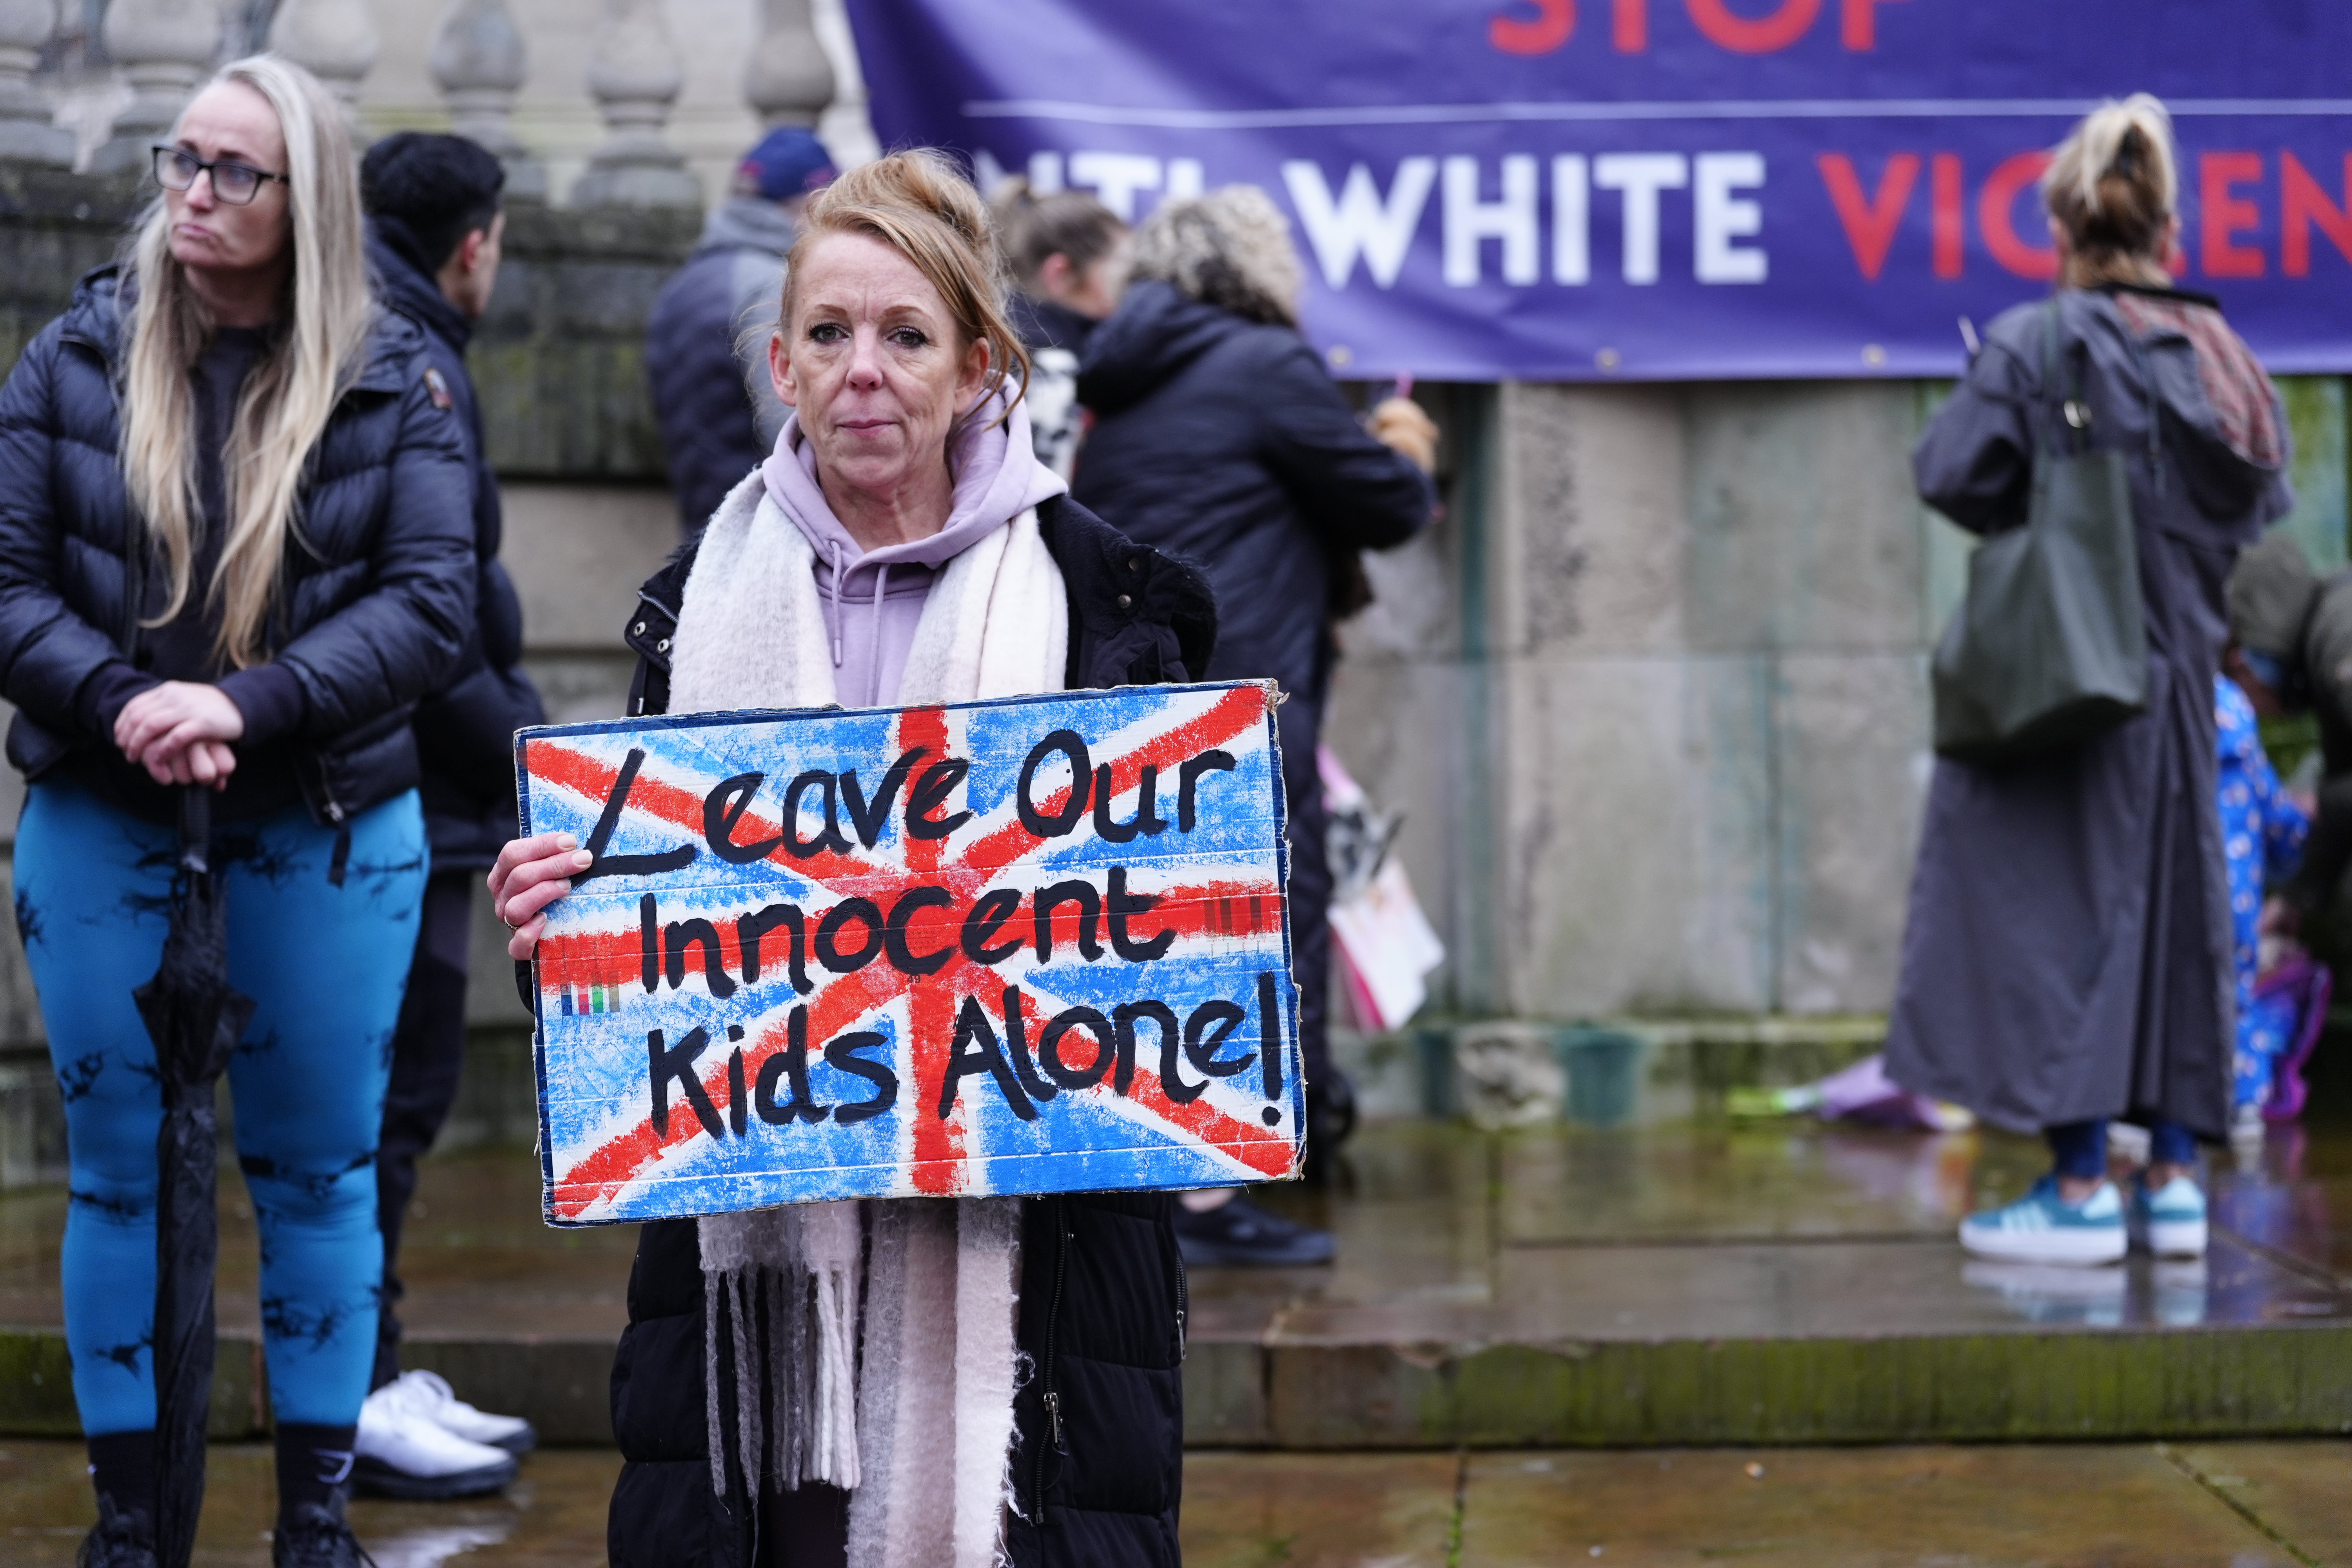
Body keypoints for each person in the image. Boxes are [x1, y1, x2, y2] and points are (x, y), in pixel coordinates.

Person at [490, 150, 1214, 1568]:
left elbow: (1173, 947)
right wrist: (565, 939)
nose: (863, 370)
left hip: (1033, 1274)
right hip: (770, 1277)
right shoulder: (689, 612)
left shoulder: (1107, 603)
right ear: (780, 363)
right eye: (828, 334)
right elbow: (662, 1002)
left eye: (905, 335)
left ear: (978, 365)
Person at [0, 56, 475, 1565]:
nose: (192, 195)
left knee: (321, 1167)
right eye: (179, 159)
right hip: (101, 805)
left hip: (324, 819)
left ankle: (315, 1518)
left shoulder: (399, 374)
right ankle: (130, 1520)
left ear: (306, 202)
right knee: (115, 1164)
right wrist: (116, 697)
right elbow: (6, 583)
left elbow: (432, 606)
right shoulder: (73, 355)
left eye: (232, 173)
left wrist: (244, 701)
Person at [1884, 96, 2292, 1267]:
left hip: (2066, 679)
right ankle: (2169, 1178)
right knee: (2179, 920)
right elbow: (2255, 512)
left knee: (2040, 909)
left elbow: (1951, 477)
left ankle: (2072, 1188)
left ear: (2064, 223)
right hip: (2181, 689)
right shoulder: (2228, 360)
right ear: (2166, 226)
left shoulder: (2040, 338)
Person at [1072, 185, 1436, 1262]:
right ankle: (1213, 1202)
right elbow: (1387, 503)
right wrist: (1403, 439)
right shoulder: (1265, 364)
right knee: (1259, 924)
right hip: (1246, 694)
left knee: (1158, 934)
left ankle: (1169, 1181)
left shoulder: (1124, 380)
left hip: (1136, 699)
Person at [355, 130, 546, 1497]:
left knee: (387, 1105)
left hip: (411, 778)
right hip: (400, 786)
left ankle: (374, 1364)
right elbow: (435, 620)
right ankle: (356, 1391)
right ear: (473, 243)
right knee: (388, 1102)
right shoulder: (411, 358)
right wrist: (535, 764)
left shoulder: (386, 332)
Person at [646, 125, 837, 538]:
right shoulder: (770, 284)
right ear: (811, 204)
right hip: (765, 540)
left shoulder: (685, 284)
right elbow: (791, 431)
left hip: (707, 531)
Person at [2214, 667, 2307, 1122]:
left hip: (2161, 905)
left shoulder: (2146, 701)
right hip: (2235, 906)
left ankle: (2154, 1128)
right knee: (2235, 997)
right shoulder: (2237, 720)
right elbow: (2281, 824)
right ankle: (2245, 1107)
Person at [991, 180, 1127, 478]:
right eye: (1119, 269)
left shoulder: (996, 334)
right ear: (1060, 274)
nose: (1130, 285)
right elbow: (1045, 506)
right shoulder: (1049, 368)